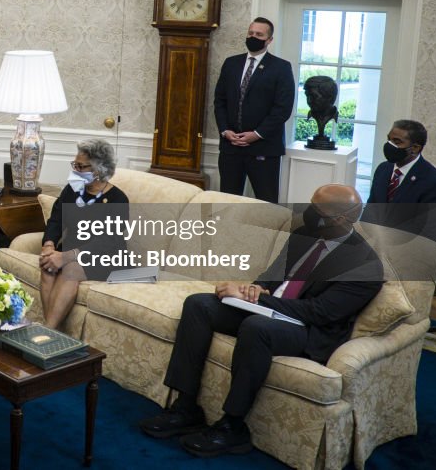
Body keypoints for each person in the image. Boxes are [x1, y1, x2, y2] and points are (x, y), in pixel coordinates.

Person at [138, 184, 383, 458]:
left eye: (317, 209)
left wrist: (258, 301)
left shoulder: (365, 265)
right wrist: (252, 290)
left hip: (308, 330)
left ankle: (232, 426)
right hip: (269, 308)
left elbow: (319, 312)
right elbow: (271, 276)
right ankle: (185, 408)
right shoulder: (305, 234)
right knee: (199, 305)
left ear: (343, 218)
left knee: (256, 328)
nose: (308, 212)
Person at [38, 139, 129, 328]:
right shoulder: (73, 189)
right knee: (47, 266)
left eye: (80, 167)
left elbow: (109, 242)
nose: (75, 170)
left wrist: (66, 257)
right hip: (71, 251)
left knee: (71, 270)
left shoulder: (118, 200)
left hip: (105, 258)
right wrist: (49, 245)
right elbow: (56, 219)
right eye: (75, 165)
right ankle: (51, 331)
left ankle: (46, 333)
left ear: (98, 170)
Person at [213, 17, 296, 203]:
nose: (253, 37)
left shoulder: (281, 68)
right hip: (231, 147)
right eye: (251, 33)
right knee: (226, 202)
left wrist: (257, 134)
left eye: (259, 34)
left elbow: (282, 109)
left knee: (266, 203)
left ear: (269, 40)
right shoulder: (231, 63)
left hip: (264, 148)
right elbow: (220, 101)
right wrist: (225, 130)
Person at [303, 75, 338, 144]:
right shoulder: (313, 111)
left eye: (314, 96)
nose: (309, 101)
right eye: (307, 95)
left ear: (329, 97)